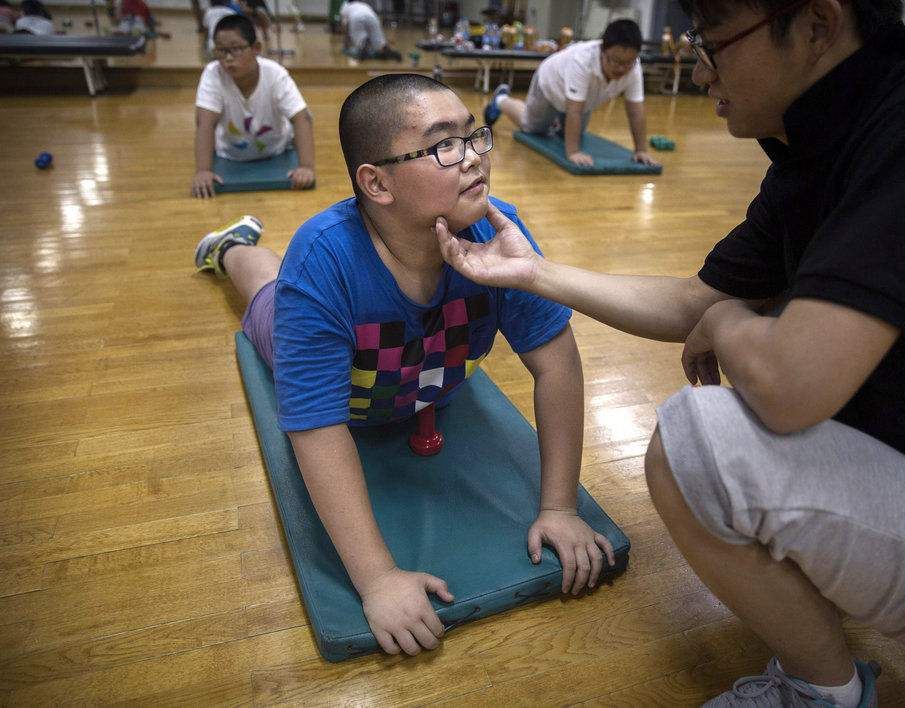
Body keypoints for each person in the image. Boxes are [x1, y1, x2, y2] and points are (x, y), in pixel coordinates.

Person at [437, 0, 905, 704]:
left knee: (700, 439)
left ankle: (822, 692)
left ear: (816, 25)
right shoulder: (812, 153)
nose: (699, 68)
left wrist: (729, 324)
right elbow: (693, 300)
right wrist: (531, 270)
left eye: (715, 44)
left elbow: (785, 379)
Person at [193, 73, 616, 656]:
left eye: (474, 137)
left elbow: (559, 364)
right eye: (444, 145)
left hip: (423, 378)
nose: (472, 159)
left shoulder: (500, 232)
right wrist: (377, 579)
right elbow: (316, 427)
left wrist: (560, 507)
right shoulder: (321, 264)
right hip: (329, 348)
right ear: (377, 182)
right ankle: (230, 245)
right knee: (263, 289)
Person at [484, 19, 659, 168]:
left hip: (582, 100)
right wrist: (573, 152)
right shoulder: (582, 60)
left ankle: (554, 122)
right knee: (532, 127)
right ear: (602, 50)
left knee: (570, 133)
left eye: (628, 62)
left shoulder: (633, 68)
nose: (622, 68)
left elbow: (636, 112)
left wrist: (641, 150)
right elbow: (574, 111)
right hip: (550, 85)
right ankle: (501, 99)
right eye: (616, 61)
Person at [191, 14, 314, 198]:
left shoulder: (275, 74)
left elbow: (301, 118)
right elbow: (204, 123)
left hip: (276, 149)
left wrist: (306, 167)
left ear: (256, 48)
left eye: (236, 49)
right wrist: (203, 170)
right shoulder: (213, 74)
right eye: (221, 51)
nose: (228, 58)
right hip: (230, 153)